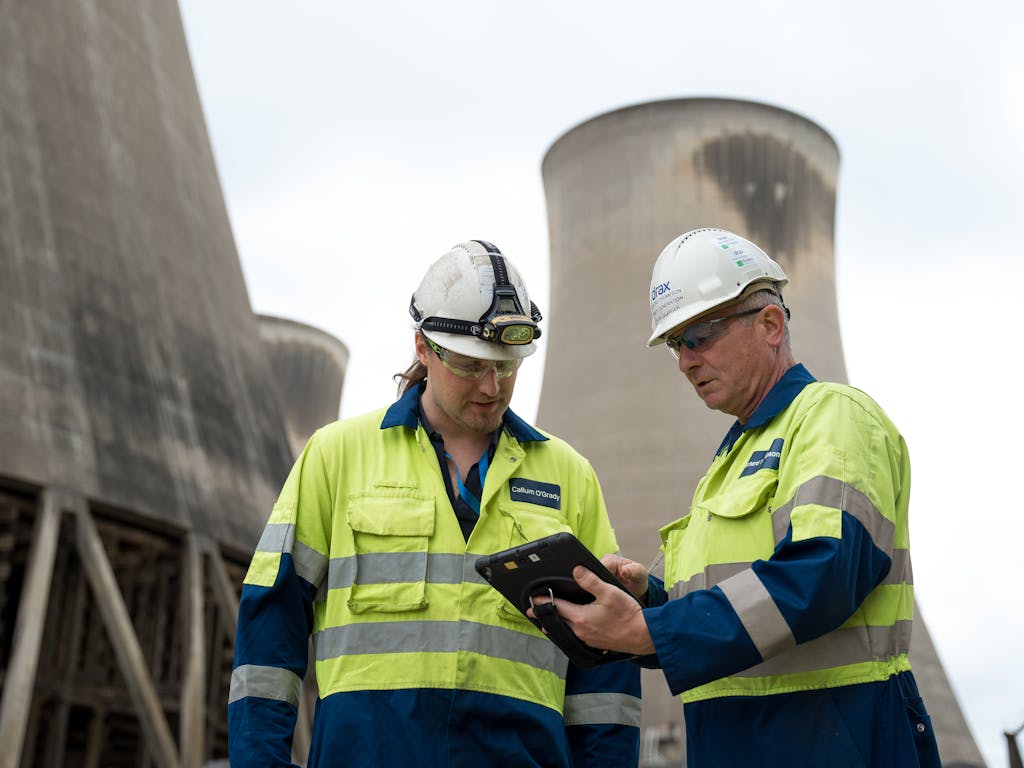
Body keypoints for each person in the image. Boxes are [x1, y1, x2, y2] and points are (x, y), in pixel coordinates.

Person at [531, 228, 942, 766]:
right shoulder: (733, 459)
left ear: (771, 324)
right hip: (741, 742)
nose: (685, 363)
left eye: (700, 336)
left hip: (838, 737)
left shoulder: (834, 418)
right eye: (676, 345)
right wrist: (648, 600)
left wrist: (652, 629)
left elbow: (823, 574)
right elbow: (729, 609)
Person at [228, 239, 641, 767]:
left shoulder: (569, 476)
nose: (492, 386)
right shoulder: (337, 456)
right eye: (471, 366)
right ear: (424, 347)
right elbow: (270, 624)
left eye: (508, 366)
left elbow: (605, 665)